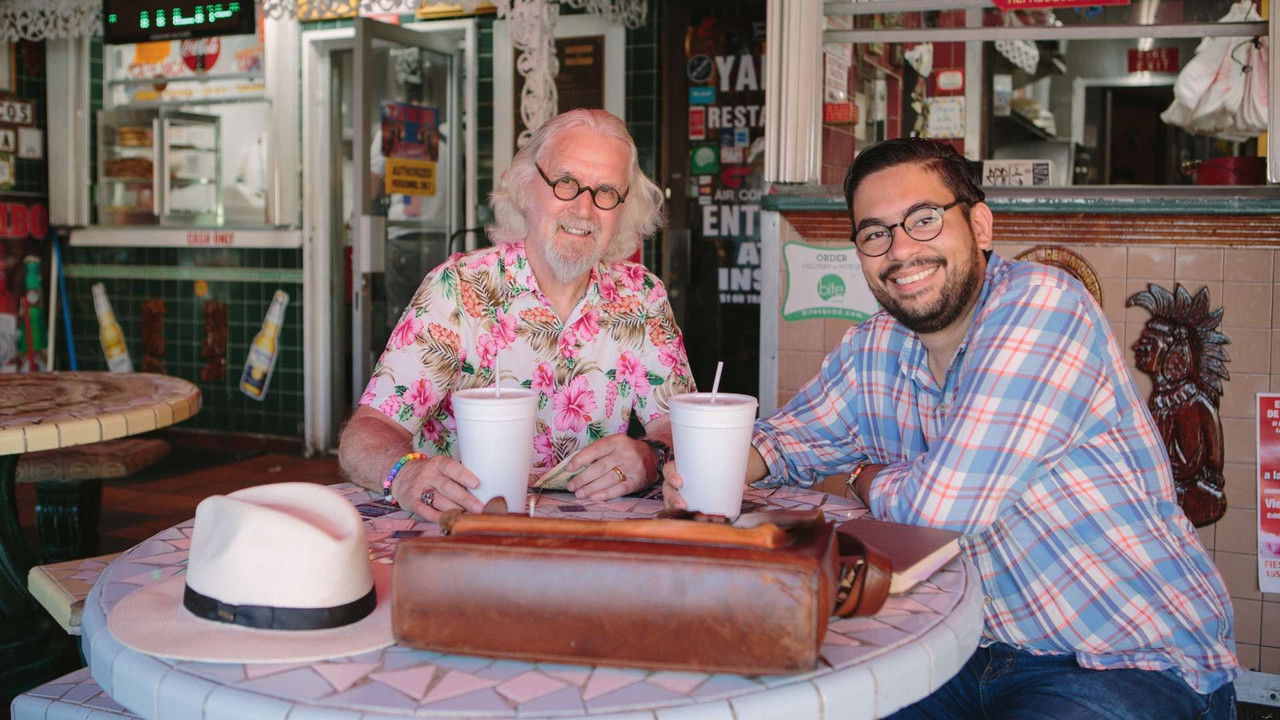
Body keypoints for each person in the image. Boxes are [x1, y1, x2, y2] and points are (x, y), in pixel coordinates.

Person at [664, 138, 1240, 719]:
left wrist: (862, 478)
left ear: (979, 226)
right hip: (959, 646)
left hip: (1123, 657)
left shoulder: (1042, 305)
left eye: (924, 219)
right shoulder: (875, 347)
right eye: (875, 233)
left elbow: (941, 511)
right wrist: (709, 469)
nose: (900, 249)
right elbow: (789, 439)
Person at [340, 108, 694, 521]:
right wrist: (405, 474)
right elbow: (365, 434)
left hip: (593, 535)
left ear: (624, 208)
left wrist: (653, 454)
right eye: (566, 183)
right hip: (467, 528)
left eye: (606, 192)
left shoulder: (642, 297)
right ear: (527, 188)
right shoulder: (459, 289)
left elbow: (683, 427)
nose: (584, 209)